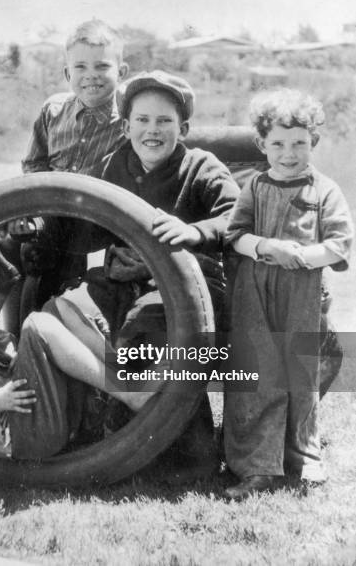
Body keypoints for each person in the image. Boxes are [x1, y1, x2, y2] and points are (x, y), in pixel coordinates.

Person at [48, 70, 240, 477]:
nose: (152, 130)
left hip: (195, 290)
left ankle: (179, 449)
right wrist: (44, 223)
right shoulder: (111, 165)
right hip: (124, 280)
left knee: (147, 324)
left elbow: (236, 219)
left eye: (164, 121)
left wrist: (194, 231)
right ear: (126, 125)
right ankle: (88, 427)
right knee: (62, 312)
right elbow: (83, 232)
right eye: (142, 120)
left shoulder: (201, 167)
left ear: (183, 128)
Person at [223, 89, 353, 500]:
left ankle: (302, 457)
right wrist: (266, 247)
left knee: (303, 372)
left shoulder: (325, 190)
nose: (289, 153)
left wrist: (303, 255)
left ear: (312, 142)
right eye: (278, 143)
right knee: (258, 372)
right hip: (255, 294)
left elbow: (340, 242)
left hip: (305, 293)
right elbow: (233, 235)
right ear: (262, 144)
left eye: (299, 142)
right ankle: (257, 466)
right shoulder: (255, 187)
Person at [0, 253, 152, 474]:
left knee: (59, 307)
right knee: (36, 324)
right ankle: (129, 393)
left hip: (33, 414)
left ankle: (122, 376)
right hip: (20, 435)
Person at [0, 19, 129, 330]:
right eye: (80, 67)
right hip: (50, 210)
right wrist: (33, 207)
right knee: (10, 244)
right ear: (68, 74)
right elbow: (34, 164)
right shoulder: (53, 110)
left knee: (43, 254)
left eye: (102, 66)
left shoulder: (129, 120)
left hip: (96, 219)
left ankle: (37, 334)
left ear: (121, 73)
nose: (90, 74)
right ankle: (4, 328)